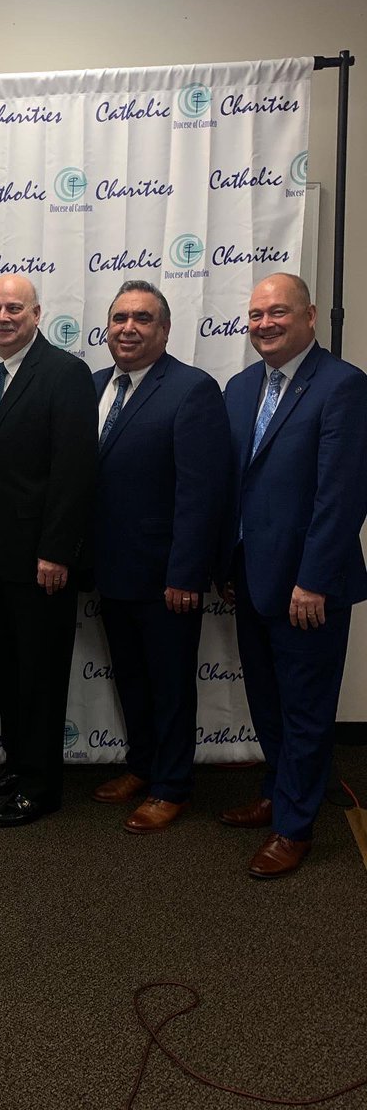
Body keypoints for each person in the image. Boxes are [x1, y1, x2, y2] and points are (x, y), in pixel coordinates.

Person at [220, 272, 367, 878]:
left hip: (309, 587)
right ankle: (278, 791)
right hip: (252, 578)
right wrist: (230, 564)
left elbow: (341, 496)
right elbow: (235, 486)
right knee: (268, 701)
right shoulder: (240, 386)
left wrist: (314, 580)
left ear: (309, 316)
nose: (264, 325)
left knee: (306, 708)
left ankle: (295, 825)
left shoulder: (343, 386)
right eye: (255, 316)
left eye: (277, 313)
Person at [90, 281, 230, 832]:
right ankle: (143, 767)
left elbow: (202, 493)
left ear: (164, 330)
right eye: (120, 318)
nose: (129, 328)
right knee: (131, 679)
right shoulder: (96, 385)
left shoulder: (193, 390)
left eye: (142, 319)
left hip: (166, 576)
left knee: (170, 685)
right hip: (111, 570)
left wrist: (186, 573)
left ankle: (173, 784)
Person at [0, 275, 97, 827]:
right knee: (9, 666)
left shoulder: (66, 373)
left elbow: (75, 470)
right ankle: (19, 764)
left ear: (37, 313)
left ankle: (42, 786)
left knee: (41, 672)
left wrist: (57, 550)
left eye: (15, 307)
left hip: (42, 559)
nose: (3, 316)